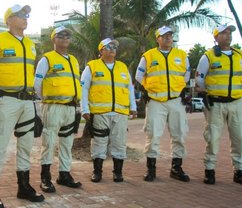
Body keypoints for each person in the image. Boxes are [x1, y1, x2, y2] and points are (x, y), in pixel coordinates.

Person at [0, 4, 44, 208]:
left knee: (26, 145)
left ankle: (23, 187)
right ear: (8, 20)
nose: (25, 18)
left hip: (27, 101)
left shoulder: (30, 44)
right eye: (19, 15)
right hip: (6, 100)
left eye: (26, 15)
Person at [196, 24, 242, 186]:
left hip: (236, 103)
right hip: (215, 104)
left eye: (229, 33)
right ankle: (209, 170)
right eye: (223, 33)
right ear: (215, 37)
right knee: (212, 138)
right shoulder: (208, 57)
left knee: (239, 138)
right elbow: (200, 79)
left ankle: (240, 171)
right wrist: (210, 91)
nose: (227, 35)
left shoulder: (240, 56)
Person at [135, 26, 191, 183]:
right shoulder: (148, 56)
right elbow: (139, 76)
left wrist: (177, 89)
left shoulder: (181, 55)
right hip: (155, 101)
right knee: (153, 135)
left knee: (179, 134)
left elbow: (186, 75)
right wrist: (149, 90)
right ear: (157, 39)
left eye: (170, 35)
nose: (168, 38)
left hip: (175, 101)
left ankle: (176, 168)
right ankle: (151, 169)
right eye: (164, 35)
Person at [81, 38, 137, 183]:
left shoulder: (123, 67)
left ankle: (118, 172)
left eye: (114, 47)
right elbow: (84, 89)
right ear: (101, 51)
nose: (112, 49)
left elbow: (129, 88)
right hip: (100, 113)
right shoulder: (92, 67)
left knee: (119, 142)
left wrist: (133, 107)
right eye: (108, 46)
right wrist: (84, 109)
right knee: (99, 142)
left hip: (120, 113)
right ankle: (97, 172)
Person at [34, 26, 82, 191]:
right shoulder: (47, 59)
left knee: (67, 143)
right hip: (53, 106)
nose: (64, 38)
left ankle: (64, 174)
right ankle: (45, 178)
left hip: (70, 107)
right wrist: (46, 100)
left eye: (67, 35)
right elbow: (37, 83)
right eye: (60, 35)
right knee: (48, 141)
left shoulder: (74, 60)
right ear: (53, 39)